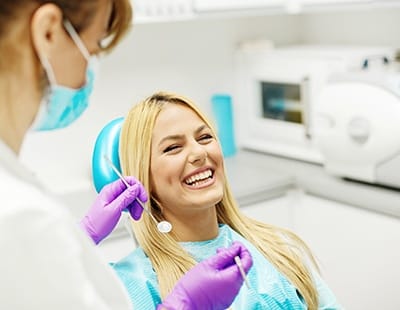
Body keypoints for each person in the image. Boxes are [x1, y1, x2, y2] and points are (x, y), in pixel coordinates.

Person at [0, 1, 253, 309]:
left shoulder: (275, 249)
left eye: (204, 137)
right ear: (49, 32)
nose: (87, 75)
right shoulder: (22, 217)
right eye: (93, 49)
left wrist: (82, 235)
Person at [111, 90, 344, 309]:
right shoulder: (132, 284)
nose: (199, 153)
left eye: (204, 137)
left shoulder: (277, 248)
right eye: (173, 147)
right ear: (143, 177)